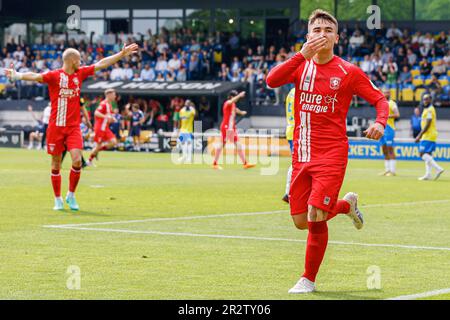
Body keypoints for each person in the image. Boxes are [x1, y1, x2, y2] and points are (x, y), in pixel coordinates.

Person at [266, 9, 388, 294]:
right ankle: (346, 205)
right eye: (316, 30)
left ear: (337, 37)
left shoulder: (349, 72)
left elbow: (380, 99)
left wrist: (380, 122)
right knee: (300, 222)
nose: (322, 34)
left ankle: (307, 279)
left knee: (316, 214)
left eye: (327, 30)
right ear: (308, 36)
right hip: (301, 155)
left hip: (332, 154)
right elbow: (272, 80)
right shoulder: (300, 65)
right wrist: (301, 54)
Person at [4, 43, 139, 211]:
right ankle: (57, 199)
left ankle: (71, 194)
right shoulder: (54, 76)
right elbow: (35, 76)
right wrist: (17, 75)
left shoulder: (80, 74)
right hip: (55, 127)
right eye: (79, 60)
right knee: (56, 164)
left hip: (73, 127)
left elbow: (101, 64)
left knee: (76, 160)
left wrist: (121, 54)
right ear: (72, 61)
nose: (81, 62)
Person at [212, 90, 255, 170]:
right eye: (235, 96)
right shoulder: (228, 102)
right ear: (231, 96)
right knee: (222, 144)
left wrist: (241, 112)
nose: (237, 99)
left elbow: (235, 109)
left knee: (237, 144)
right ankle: (215, 163)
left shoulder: (233, 105)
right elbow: (231, 102)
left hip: (231, 127)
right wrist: (239, 95)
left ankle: (245, 163)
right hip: (226, 126)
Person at [415, 94, 444, 181]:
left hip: (428, 134)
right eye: (424, 99)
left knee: (422, 154)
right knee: (428, 154)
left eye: (427, 99)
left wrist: (419, 135)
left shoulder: (430, 110)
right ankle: (428, 174)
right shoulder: (427, 109)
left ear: (430, 100)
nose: (425, 101)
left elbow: (428, 123)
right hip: (429, 134)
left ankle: (438, 168)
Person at [86, 88, 118, 166]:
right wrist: (106, 117)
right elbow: (96, 113)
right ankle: (89, 161)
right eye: (114, 95)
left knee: (114, 142)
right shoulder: (104, 103)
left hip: (105, 128)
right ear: (109, 95)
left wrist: (112, 119)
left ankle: (96, 151)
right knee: (98, 145)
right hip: (100, 128)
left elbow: (107, 117)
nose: (115, 96)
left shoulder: (109, 105)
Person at [379, 88, 400, 176]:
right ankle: (387, 170)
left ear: (389, 94)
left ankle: (393, 171)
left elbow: (397, 114)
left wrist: (387, 115)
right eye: (384, 92)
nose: (386, 94)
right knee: (384, 149)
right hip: (382, 128)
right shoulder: (381, 103)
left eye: (387, 92)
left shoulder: (392, 103)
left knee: (390, 149)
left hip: (389, 128)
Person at [282, 87, 295, 203]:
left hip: (291, 129)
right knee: (296, 163)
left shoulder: (291, 92)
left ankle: (289, 192)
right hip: (297, 131)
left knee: (298, 162)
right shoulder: (300, 91)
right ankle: (288, 192)